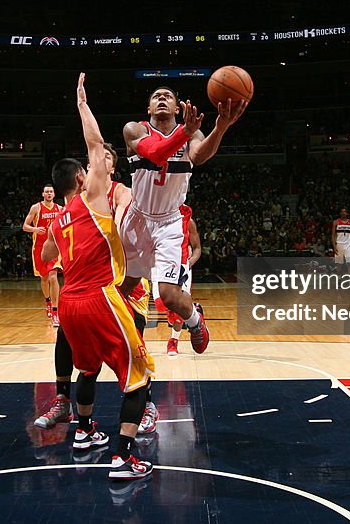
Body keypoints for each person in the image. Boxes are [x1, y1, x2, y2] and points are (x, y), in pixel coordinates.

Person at [41, 73, 155, 481]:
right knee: (138, 375)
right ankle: (123, 458)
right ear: (81, 179)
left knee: (86, 369)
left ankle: (85, 432)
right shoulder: (95, 195)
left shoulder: (57, 218)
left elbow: (47, 256)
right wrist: (82, 105)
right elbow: (94, 144)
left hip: (69, 303)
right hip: (101, 297)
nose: (100, 164)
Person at [118, 86, 246, 355]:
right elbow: (155, 153)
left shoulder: (192, 135)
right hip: (137, 218)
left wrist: (220, 127)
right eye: (156, 96)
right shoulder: (134, 130)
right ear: (149, 109)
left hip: (169, 223)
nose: (161, 98)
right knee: (122, 286)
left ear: (178, 108)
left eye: (168, 96)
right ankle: (112, 333)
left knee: (168, 296)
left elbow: (199, 156)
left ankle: (195, 322)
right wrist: (185, 132)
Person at [156, 203, 201, 357]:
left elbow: (197, 248)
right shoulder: (156, 214)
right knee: (161, 304)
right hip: (161, 264)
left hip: (181, 264)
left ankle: (173, 341)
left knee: (177, 311)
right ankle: (194, 311)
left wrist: (189, 263)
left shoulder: (188, 220)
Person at [22, 186, 63, 324]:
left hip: (54, 248)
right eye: (47, 191)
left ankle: (56, 312)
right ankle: (48, 302)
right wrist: (35, 229)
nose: (49, 193)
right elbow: (24, 226)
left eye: (51, 191)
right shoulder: (36, 208)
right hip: (39, 248)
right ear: (43, 194)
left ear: (54, 193)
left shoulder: (60, 209)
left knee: (53, 276)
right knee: (44, 278)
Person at [332, 208, 350, 276]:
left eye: (345, 212)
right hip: (339, 245)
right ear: (340, 213)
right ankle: (339, 280)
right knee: (339, 265)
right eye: (342, 212)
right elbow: (333, 235)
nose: (343, 213)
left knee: (349, 264)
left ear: (347, 213)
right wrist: (334, 246)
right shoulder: (336, 222)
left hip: (348, 245)